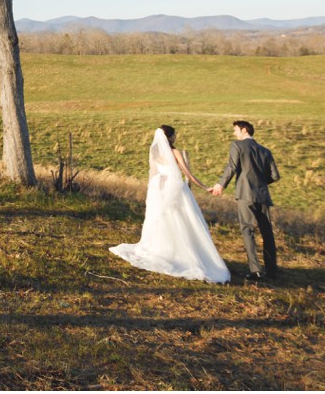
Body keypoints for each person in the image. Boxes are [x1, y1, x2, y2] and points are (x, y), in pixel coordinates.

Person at [109, 125, 230, 283]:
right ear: (169, 137)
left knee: (163, 219)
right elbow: (188, 174)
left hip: (160, 188)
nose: (176, 137)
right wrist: (204, 187)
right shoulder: (175, 152)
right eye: (174, 134)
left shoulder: (155, 152)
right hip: (175, 188)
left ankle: (162, 249)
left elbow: (154, 172)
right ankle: (183, 253)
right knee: (183, 219)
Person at [208, 119, 281, 281]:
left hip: (245, 194)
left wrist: (221, 185)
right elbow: (275, 176)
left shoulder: (237, 146)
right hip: (263, 195)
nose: (234, 133)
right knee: (267, 233)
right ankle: (272, 270)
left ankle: (255, 270)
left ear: (244, 130)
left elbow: (232, 167)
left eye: (236, 130)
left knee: (248, 230)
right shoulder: (265, 151)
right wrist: (260, 182)